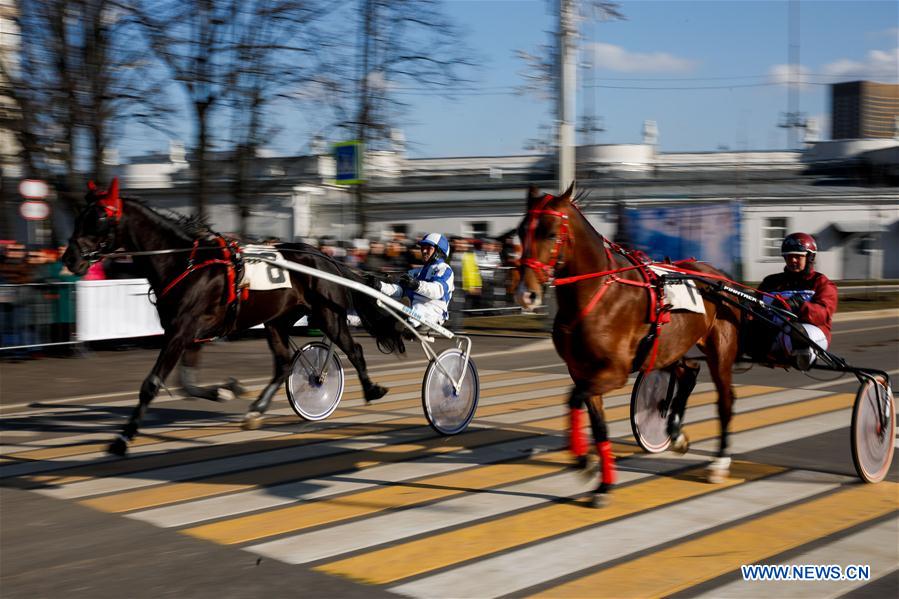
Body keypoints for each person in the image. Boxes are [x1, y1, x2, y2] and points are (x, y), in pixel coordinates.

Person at [758, 232, 837, 370]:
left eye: (798, 256)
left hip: (812, 335)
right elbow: (755, 309)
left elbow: (824, 315)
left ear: (810, 257)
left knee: (796, 331)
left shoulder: (821, 283)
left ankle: (796, 356)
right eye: (789, 256)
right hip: (778, 333)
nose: (793, 260)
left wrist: (799, 306)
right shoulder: (770, 282)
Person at [368, 233, 454, 327]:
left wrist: (417, 285)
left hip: (434, 311)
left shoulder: (444, 269)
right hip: (411, 306)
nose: (424, 251)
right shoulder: (416, 272)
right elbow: (399, 290)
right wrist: (380, 286)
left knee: (418, 308)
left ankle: (405, 322)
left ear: (439, 252)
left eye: (429, 248)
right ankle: (352, 319)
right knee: (383, 301)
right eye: (422, 247)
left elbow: (438, 291)